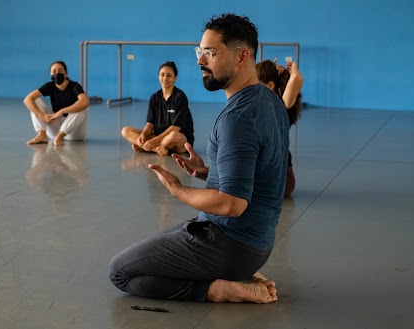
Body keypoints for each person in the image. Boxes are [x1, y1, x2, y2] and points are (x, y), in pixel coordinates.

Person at [109, 13, 289, 304]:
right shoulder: (270, 101)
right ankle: (235, 275)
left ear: (242, 56)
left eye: (211, 53)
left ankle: (217, 289)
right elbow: (261, 171)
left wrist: (177, 190)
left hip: (230, 245)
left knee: (121, 272)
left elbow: (232, 204)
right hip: (256, 244)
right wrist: (208, 172)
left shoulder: (238, 118)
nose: (200, 61)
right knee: (154, 247)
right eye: (200, 51)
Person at [120, 61, 194, 156]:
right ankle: (156, 149)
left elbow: (176, 127)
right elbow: (150, 124)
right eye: (162, 75)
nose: (165, 78)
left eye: (169, 75)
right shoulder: (154, 97)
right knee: (125, 131)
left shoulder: (180, 97)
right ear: (158, 76)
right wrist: (144, 135)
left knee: (173, 136)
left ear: (175, 78)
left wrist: (154, 140)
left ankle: (146, 147)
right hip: (159, 136)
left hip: (179, 138)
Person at [256, 59, 303, 197]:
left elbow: (297, 79)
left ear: (270, 85)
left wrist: (292, 69)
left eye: (256, 84)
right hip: (273, 178)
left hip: (280, 181)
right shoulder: (263, 107)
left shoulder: (281, 108)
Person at [23, 61, 89, 146]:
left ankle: (61, 135)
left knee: (82, 105)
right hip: (55, 131)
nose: (57, 74)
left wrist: (61, 111)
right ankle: (41, 135)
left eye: (60, 71)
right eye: (54, 71)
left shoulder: (75, 86)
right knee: (35, 101)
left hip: (75, 133)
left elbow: (85, 102)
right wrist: (42, 116)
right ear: (50, 75)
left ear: (66, 74)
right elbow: (27, 99)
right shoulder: (50, 86)